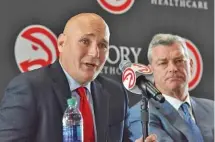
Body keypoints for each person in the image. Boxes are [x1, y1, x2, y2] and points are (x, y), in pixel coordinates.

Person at [0, 13, 157, 142]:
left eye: (103, 45)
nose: (95, 53)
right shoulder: (30, 88)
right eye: (85, 41)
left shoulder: (115, 93)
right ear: (61, 44)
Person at [129, 33, 214, 142]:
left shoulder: (212, 109)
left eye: (179, 61)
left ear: (191, 65)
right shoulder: (141, 114)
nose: (173, 68)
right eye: (163, 63)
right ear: (151, 71)